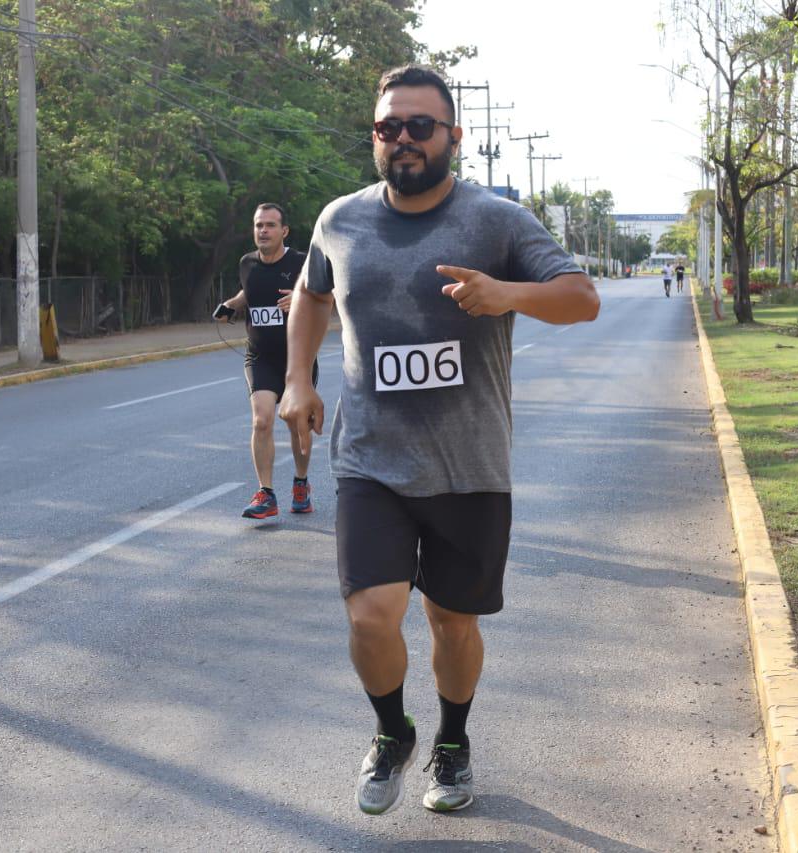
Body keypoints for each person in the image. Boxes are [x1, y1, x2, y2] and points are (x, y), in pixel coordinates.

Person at [280, 65, 599, 816]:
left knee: (452, 624)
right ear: (375, 139)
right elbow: (310, 293)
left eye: (420, 126)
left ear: (455, 136)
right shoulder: (340, 219)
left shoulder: (496, 221)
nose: (404, 140)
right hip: (370, 460)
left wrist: (507, 294)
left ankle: (453, 741)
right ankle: (394, 730)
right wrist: (299, 379)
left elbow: (581, 298)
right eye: (389, 128)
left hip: (469, 464)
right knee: (369, 613)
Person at [216, 203, 317, 519]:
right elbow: (249, 291)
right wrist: (230, 305)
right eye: (259, 225)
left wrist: (302, 298)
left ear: (283, 231)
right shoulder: (247, 263)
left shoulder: (302, 262)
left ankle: (301, 484)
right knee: (261, 420)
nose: (263, 231)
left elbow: (326, 294)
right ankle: (266, 493)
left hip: (296, 358)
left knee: (296, 423)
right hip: (259, 356)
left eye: (270, 225)